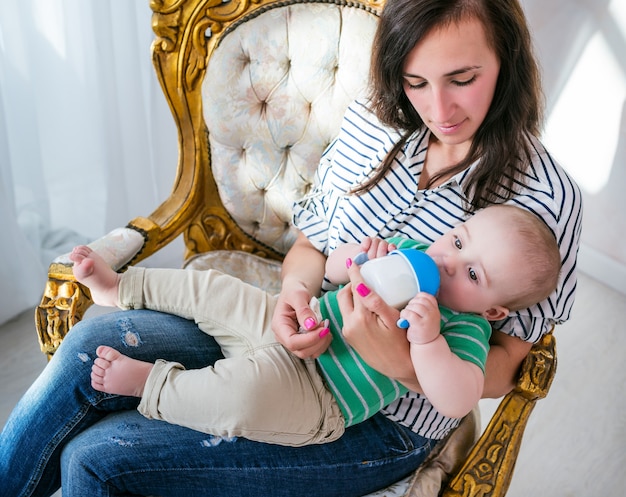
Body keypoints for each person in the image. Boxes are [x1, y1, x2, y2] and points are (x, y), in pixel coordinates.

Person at [0, 0, 582, 495]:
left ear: (507, 59)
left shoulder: (546, 197)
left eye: (462, 79)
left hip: (375, 417)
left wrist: (403, 360)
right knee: (89, 346)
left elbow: (511, 363)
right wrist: (297, 295)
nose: (438, 110)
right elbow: (311, 245)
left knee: (96, 458)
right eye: (415, 81)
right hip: (305, 336)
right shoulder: (377, 123)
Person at [68, 204, 560, 445]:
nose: (451, 262)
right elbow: (330, 268)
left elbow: (456, 397)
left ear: (494, 311)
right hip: (297, 326)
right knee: (215, 288)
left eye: (474, 274)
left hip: (318, 397)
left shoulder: (464, 330)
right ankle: (122, 288)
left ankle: (153, 385)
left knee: (240, 396)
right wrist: (360, 260)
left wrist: (427, 340)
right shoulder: (409, 250)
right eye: (458, 240)